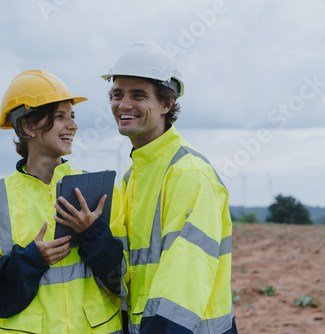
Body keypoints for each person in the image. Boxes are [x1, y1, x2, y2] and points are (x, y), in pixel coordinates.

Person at [0, 69, 127, 333]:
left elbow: (125, 277)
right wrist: (29, 260)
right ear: (29, 126)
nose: (73, 125)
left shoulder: (101, 191)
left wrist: (93, 234)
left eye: (72, 116)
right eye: (60, 117)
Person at [101, 42, 237, 334]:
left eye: (138, 95)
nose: (123, 105)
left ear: (166, 103)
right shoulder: (130, 178)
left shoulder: (188, 173)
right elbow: (128, 271)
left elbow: (183, 280)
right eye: (117, 94)